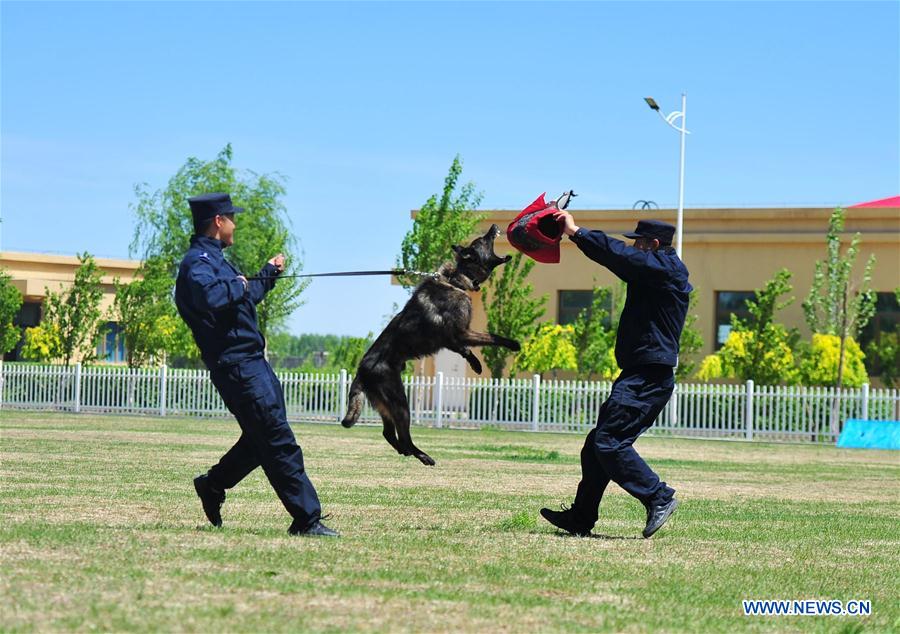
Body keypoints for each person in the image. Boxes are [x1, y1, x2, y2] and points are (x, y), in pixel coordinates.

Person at [174, 192, 338, 537]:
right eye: (232, 218)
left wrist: (268, 272)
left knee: (260, 437)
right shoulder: (197, 263)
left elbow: (243, 297)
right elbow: (210, 296)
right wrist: (237, 284)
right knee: (277, 438)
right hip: (237, 367)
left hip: (253, 363)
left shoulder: (216, 261)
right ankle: (306, 519)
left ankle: (213, 484)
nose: (235, 224)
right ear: (219, 221)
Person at [540, 213, 691, 538]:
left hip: (649, 377)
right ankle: (581, 517)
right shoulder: (655, 273)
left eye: (638, 242)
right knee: (597, 444)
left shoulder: (665, 270)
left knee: (609, 443)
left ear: (652, 245)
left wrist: (576, 233)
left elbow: (619, 255)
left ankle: (658, 496)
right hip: (640, 374)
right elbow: (621, 259)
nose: (634, 246)